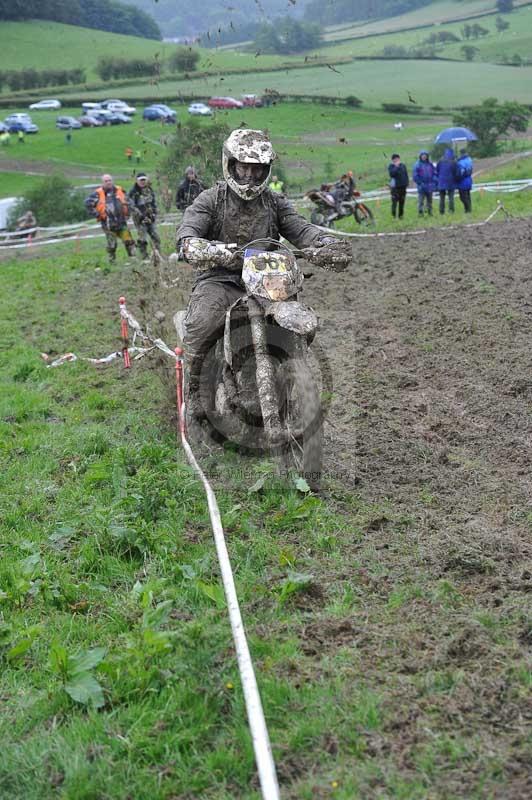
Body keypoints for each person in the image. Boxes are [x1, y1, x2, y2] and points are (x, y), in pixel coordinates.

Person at [175, 128, 351, 431]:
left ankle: (285, 375)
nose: (251, 177)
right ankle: (196, 393)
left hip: (267, 282)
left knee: (299, 322)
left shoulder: (275, 202)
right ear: (230, 164)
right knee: (202, 321)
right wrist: (199, 245)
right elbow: (188, 232)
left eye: (258, 170)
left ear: (266, 170)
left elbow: (300, 228)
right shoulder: (211, 199)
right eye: (245, 168)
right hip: (222, 278)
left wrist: (323, 243)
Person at [85, 174, 135, 263]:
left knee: (128, 240)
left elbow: (129, 201)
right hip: (108, 224)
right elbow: (88, 204)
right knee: (112, 245)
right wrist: (97, 215)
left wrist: (129, 212)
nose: (108, 182)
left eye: (109, 180)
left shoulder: (119, 190)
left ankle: (133, 258)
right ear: (102, 183)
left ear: (112, 181)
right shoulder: (97, 193)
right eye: (106, 181)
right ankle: (112, 261)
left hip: (121, 221)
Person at [127, 172, 161, 259]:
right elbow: (131, 206)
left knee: (155, 236)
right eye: (141, 180)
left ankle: (158, 254)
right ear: (137, 181)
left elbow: (154, 203)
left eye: (144, 180)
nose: (142, 182)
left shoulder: (149, 190)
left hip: (150, 218)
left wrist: (154, 213)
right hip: (139, 220)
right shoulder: (133, 192)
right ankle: (144, 256)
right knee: (143, 239)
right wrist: (141, 216)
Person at [412, 150, 436, 216]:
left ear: (427, 156)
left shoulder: (430, 164)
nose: (424, 157)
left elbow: (434, 173)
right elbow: (415, 176)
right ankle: (420, 213)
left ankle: (430, 212)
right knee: (421, 201)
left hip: (430, 185)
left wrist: (434, 180)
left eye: (425, 156)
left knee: (430, 200)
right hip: (421, 185)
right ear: (420, 156)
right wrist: (420, 183)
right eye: (423, 156)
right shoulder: (417, 165)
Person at [388, 154, 409, 219]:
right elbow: (392, 174)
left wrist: (407, 183)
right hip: (395, 188)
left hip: (403, 187)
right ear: (392, 160)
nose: (396, 160)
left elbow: (406, 174)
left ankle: (401, 216)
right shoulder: (391, 166)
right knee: (394, 202)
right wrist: (396, 167)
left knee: (402, 202)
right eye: (395, 159)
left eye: (397, 158)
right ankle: (393, 216)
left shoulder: (403, 166)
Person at [436, 148, 456, 214]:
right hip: (450, 182)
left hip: (441, 181)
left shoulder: (440, 161)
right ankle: (451, 210)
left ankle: (441, 211)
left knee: (442, 198)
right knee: (451, 197)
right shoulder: (453, 162)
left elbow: (437, 170)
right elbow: (455, 172)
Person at [456, 147, 473, 213]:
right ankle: (468, 209)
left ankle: (467, 209)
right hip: (469, 180)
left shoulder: (460, 162)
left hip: (463, 181)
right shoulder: (469, 159)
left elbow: (461, 172)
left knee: (463, 197)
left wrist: (457, 178)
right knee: (468, 195)